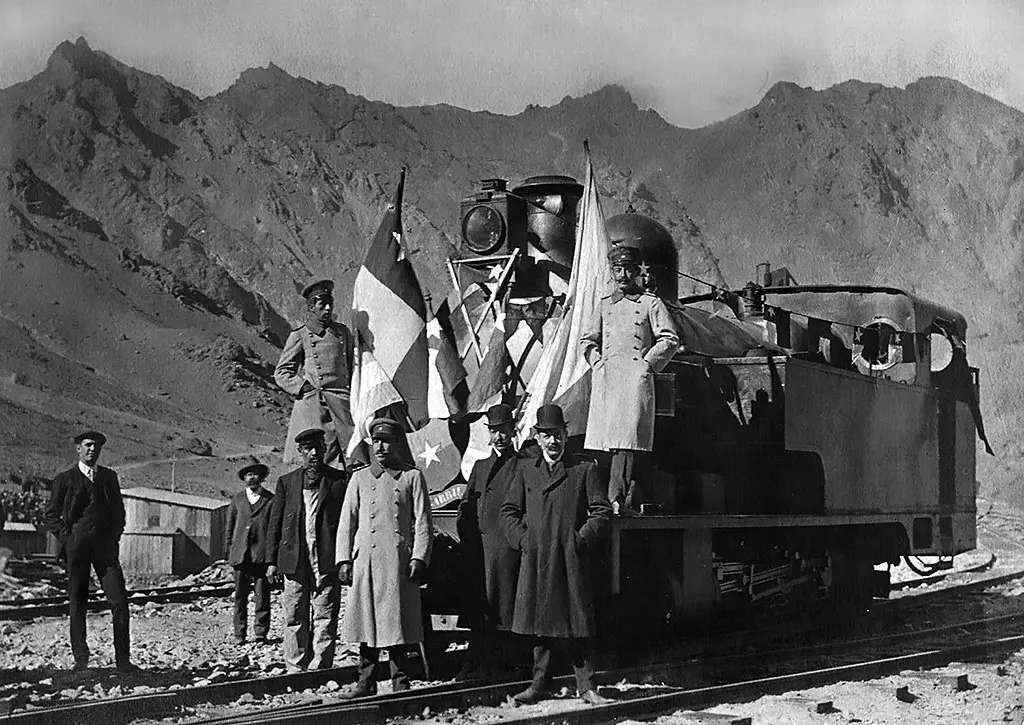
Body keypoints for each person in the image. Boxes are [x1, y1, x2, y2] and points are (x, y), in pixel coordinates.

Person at [500, 404, 613, 706]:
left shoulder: (583, 470)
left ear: (566, 435)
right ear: (537, 438)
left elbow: (601, 512)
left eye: (558, 434)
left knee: (578, 624)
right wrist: (524, 541)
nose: (553, 441)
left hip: (569, 559)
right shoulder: (526, 471)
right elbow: (509, 511)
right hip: (537, 560)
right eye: (547, 435)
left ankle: (587, 687)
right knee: (541, 626)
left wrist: (579, 541)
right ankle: (539, 686)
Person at [336, 418, 433, 698]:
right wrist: (344, 560)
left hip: (397, 564)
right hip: (365, 562)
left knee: (397, 624)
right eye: (375, 440)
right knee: (366, 623)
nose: (380, 446)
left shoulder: (412, 477)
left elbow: (423, 523)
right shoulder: (360, 477)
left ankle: (400, 685)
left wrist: (419, 558)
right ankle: (365, 683)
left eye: (386, 440)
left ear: (396, 443)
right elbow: (347, 521)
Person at [581, 240, 680, 514]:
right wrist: (597, 363)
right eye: (617, 270)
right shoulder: (603, 305)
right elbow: (587, 340)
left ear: (637, 271)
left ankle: (618, 500)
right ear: (611, 272)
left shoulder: (651, 303)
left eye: (627, 269)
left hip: (634, 380)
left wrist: (646, 365)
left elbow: (670, 339)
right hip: (607, 379)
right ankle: (605, 500)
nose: (622, 275)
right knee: (604, 445)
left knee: (628, 442)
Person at [42, 431, 137, 672]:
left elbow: (119, 512)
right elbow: (50, 515)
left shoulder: (109, 477)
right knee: (78, 604)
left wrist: (114, 536)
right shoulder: (65, 479)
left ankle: (123, 662)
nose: (92, 450)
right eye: (88, 445)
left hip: (106, 552)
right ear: (78, 449)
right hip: (78, 551)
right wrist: (68, 539)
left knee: (119, 602)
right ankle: (81, 661)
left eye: (96, 446)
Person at [266, 428, 347, 671]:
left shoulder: (339, 481)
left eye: (317, 448)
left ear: (324, 450)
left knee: (325, 615)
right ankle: (295, 667)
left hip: (326, 558)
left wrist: (345, 559)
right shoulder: (287, 483)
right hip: (295, 559)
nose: (313, 453)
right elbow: (275, 525)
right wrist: (272, 561)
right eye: (307, 449)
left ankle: (320, 668)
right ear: (300, 452)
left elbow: (347, 522)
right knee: (294, 615)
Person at [455, 403, 523, 680]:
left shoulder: (523, 465)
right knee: (483, 608)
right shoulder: (481, 467)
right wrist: (469, 538)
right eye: (494, 431)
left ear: (513, 431)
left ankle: (504, 665)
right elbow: (466, 507)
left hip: (508, 549)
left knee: (507, 608)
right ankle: (478, 663)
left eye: (504, 431)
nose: (499, 437)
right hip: (481, 551)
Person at [275, 279, 355, 469]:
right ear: (311, 307)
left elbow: (352, 366)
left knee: (351, 456)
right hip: (314, 407)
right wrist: (304, 387)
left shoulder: (343, 333)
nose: (328, 308)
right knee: (320, 458)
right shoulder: (300, 335)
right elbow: (281, 372)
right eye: (322, 304)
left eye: (330, 303)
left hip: (343, 403)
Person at [224, 456, 274, 645]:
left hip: (260, 557)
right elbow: (230, 527)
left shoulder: (270, 500)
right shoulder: (237, 500)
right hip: (241, 556)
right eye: (248, 474)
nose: (252, 478)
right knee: (240, 597)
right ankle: (240, 633)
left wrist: (271, 560)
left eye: (255, 474)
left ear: (261, 477)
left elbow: (273, 530)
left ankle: (261, 632)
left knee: (262, 596)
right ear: (244, 478)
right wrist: (230, 552)